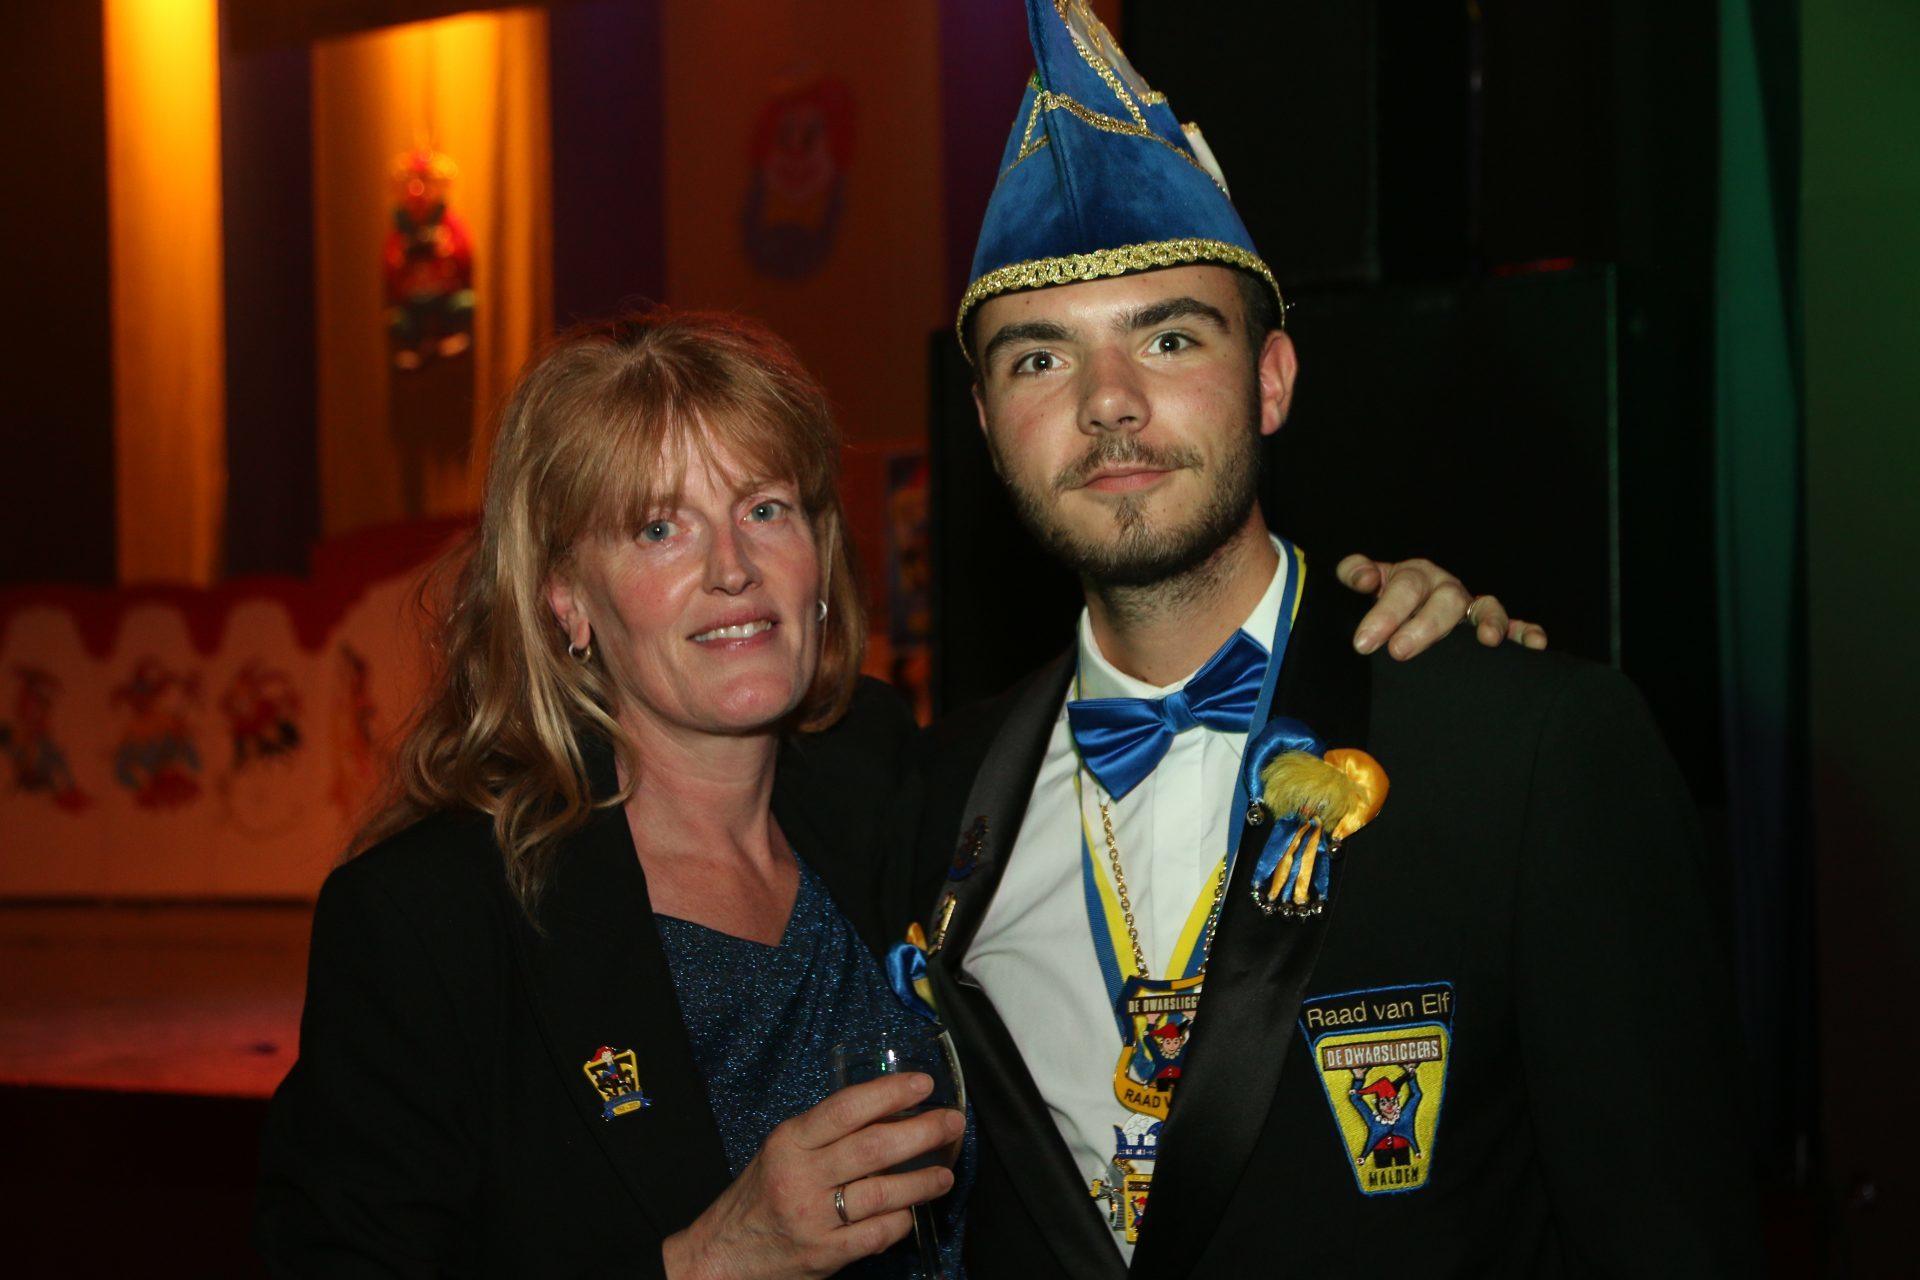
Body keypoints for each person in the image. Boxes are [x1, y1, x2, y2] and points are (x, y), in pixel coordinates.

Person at [254, 307, 1502, 1278]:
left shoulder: (895, 785)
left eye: (765, 508)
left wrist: (1397, 636)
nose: (732, 567)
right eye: (658, 529)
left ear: (819, 555)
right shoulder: (432, 919)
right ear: (565, 599)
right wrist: (708, 1260)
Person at [902, 3, 1761, 1276]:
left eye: (1169, 336)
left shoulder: (1530, 751)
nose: (1109, 403)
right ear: (985, 421)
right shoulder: (934, 805)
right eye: (1040, 358)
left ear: (1273, 379)